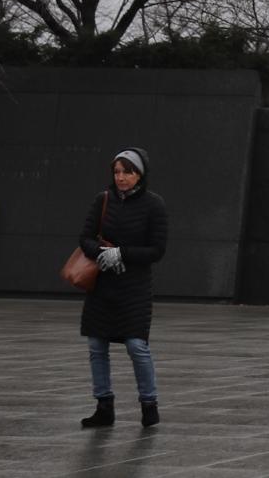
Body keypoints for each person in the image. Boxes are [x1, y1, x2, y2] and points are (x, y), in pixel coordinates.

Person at [77, 147, 168, 430]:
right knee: (96, 345)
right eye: (116, 172)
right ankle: (104, 406)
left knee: (136, 345)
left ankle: (149, 403)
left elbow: (157, 250)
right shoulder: (102, 200)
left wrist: (122, 253)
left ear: (139, 174)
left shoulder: (154, 205)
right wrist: (101, 253)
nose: (120, 177)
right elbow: (85, 237)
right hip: (103, 285)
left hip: (134, 287)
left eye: (127, 172)